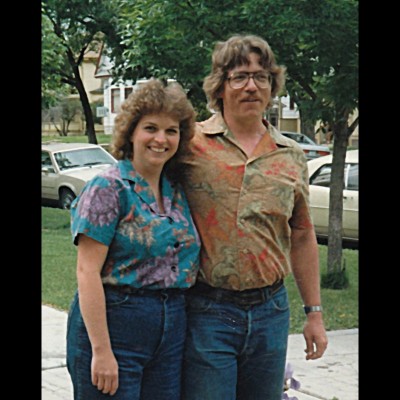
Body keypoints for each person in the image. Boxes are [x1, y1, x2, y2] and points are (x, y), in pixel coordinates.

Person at [181, 34, 328, 400]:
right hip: (208, 311)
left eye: (261, 77)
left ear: (272, 86)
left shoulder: (291, 155)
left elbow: (302, 234)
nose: (251, 86)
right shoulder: (190, 145)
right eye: (240, 76)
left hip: (270, 313)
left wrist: (314, 314)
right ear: (220, 86)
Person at [66, 79, 200, 400]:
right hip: (116, 326)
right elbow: (86, 272)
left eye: (171, 130)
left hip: (170, 331)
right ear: (131, 132)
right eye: (150, 128)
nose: (161, 139)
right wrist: (102, 351)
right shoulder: (108, 188)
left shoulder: (177, 191)